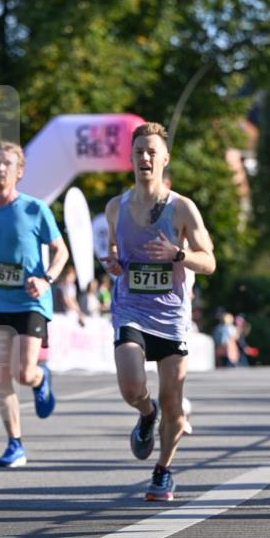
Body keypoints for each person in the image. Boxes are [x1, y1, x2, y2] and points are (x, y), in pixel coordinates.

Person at [103, 121, 216, 501]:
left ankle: (163, 470)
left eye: (152, 152)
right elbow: (116, 254)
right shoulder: (115, 208)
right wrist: (113, 264)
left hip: (171, 318)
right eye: (139, 152)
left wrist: (178, 254)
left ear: (165, 159)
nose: (145, 158)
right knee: (132, 386)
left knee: (174, 402)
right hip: (131, 309)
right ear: (131, 159)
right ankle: (145, 413)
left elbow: (210, 261)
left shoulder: (182, 208)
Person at [0, 141, 69, 467]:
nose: (0, 168)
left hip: (30, 300)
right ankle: (15, 443)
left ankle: (40, 378)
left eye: (7, 163)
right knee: (1, 372)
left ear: (19, 172)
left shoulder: (36, 209)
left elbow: (61, 251)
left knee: (23, 373)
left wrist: (46, 279)